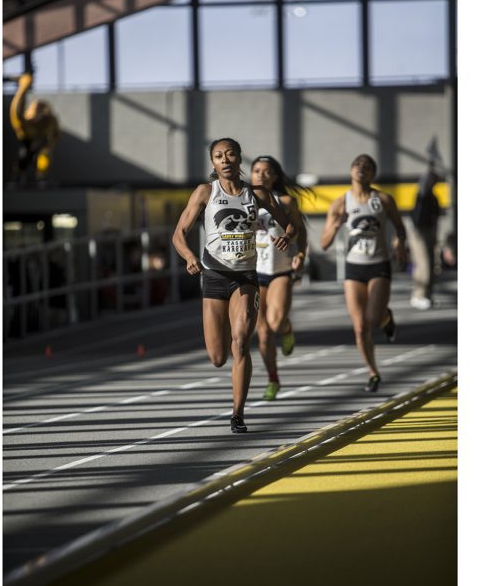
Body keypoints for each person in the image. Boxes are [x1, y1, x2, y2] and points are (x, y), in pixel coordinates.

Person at [172, 138, 298, 433]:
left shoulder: (257, 193)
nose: (225, 159)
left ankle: (238, 414)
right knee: (218, 357)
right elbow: (179, 233)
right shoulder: (206, 192)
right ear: (213, 163)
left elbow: (290, 224)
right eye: (218, 156)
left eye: (230, 154)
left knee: (241, 341)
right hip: (214, 277)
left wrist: (287, 238)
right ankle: (226, 345)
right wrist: (190, 256)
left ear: (240, 159)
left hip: (246, 277)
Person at [320, 154, 407, 393]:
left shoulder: (383, 199)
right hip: (354, 266)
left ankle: (385, 317)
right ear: (351, 171)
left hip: (379, 264)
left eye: (367, 166)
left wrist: (400, 244)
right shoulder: (340, 203)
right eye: (357, 165)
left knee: (373, 320)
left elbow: (400, 228)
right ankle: (373, 372)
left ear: (373, 174)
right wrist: (337, 224)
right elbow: (324, 243)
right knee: (359, 327)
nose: (361, 169)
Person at [249, 155, 312, 401]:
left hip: (280, 271)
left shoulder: (285, 201)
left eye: (266, 172)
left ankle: (286, 327)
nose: (261, 176)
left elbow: (300, 229)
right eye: (256, 171)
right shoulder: (244, 200)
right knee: (262, 332)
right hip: (254, 272)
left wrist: (301, 253)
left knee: (274, 324)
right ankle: (273, 378)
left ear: (275, 176)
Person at [8, 73, 60, 186]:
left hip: (41, 141)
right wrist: (23, 87)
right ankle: (18, 178)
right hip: (27, 142)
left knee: (44, 156)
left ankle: (41, 178)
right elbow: (16, 114)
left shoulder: (50, 120)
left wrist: (49, 146)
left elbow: (56, 134)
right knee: (24, 157)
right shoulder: (25, 121)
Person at [409, 167, 442, 310]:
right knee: (424, 263)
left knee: (431, 264)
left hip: (430, 231)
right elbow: (423, 185)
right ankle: (418, 295)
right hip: (418, 232)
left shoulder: (433, 197)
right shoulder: (421, 195)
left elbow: (436, 219)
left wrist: (435, 236)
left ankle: (427, 294)